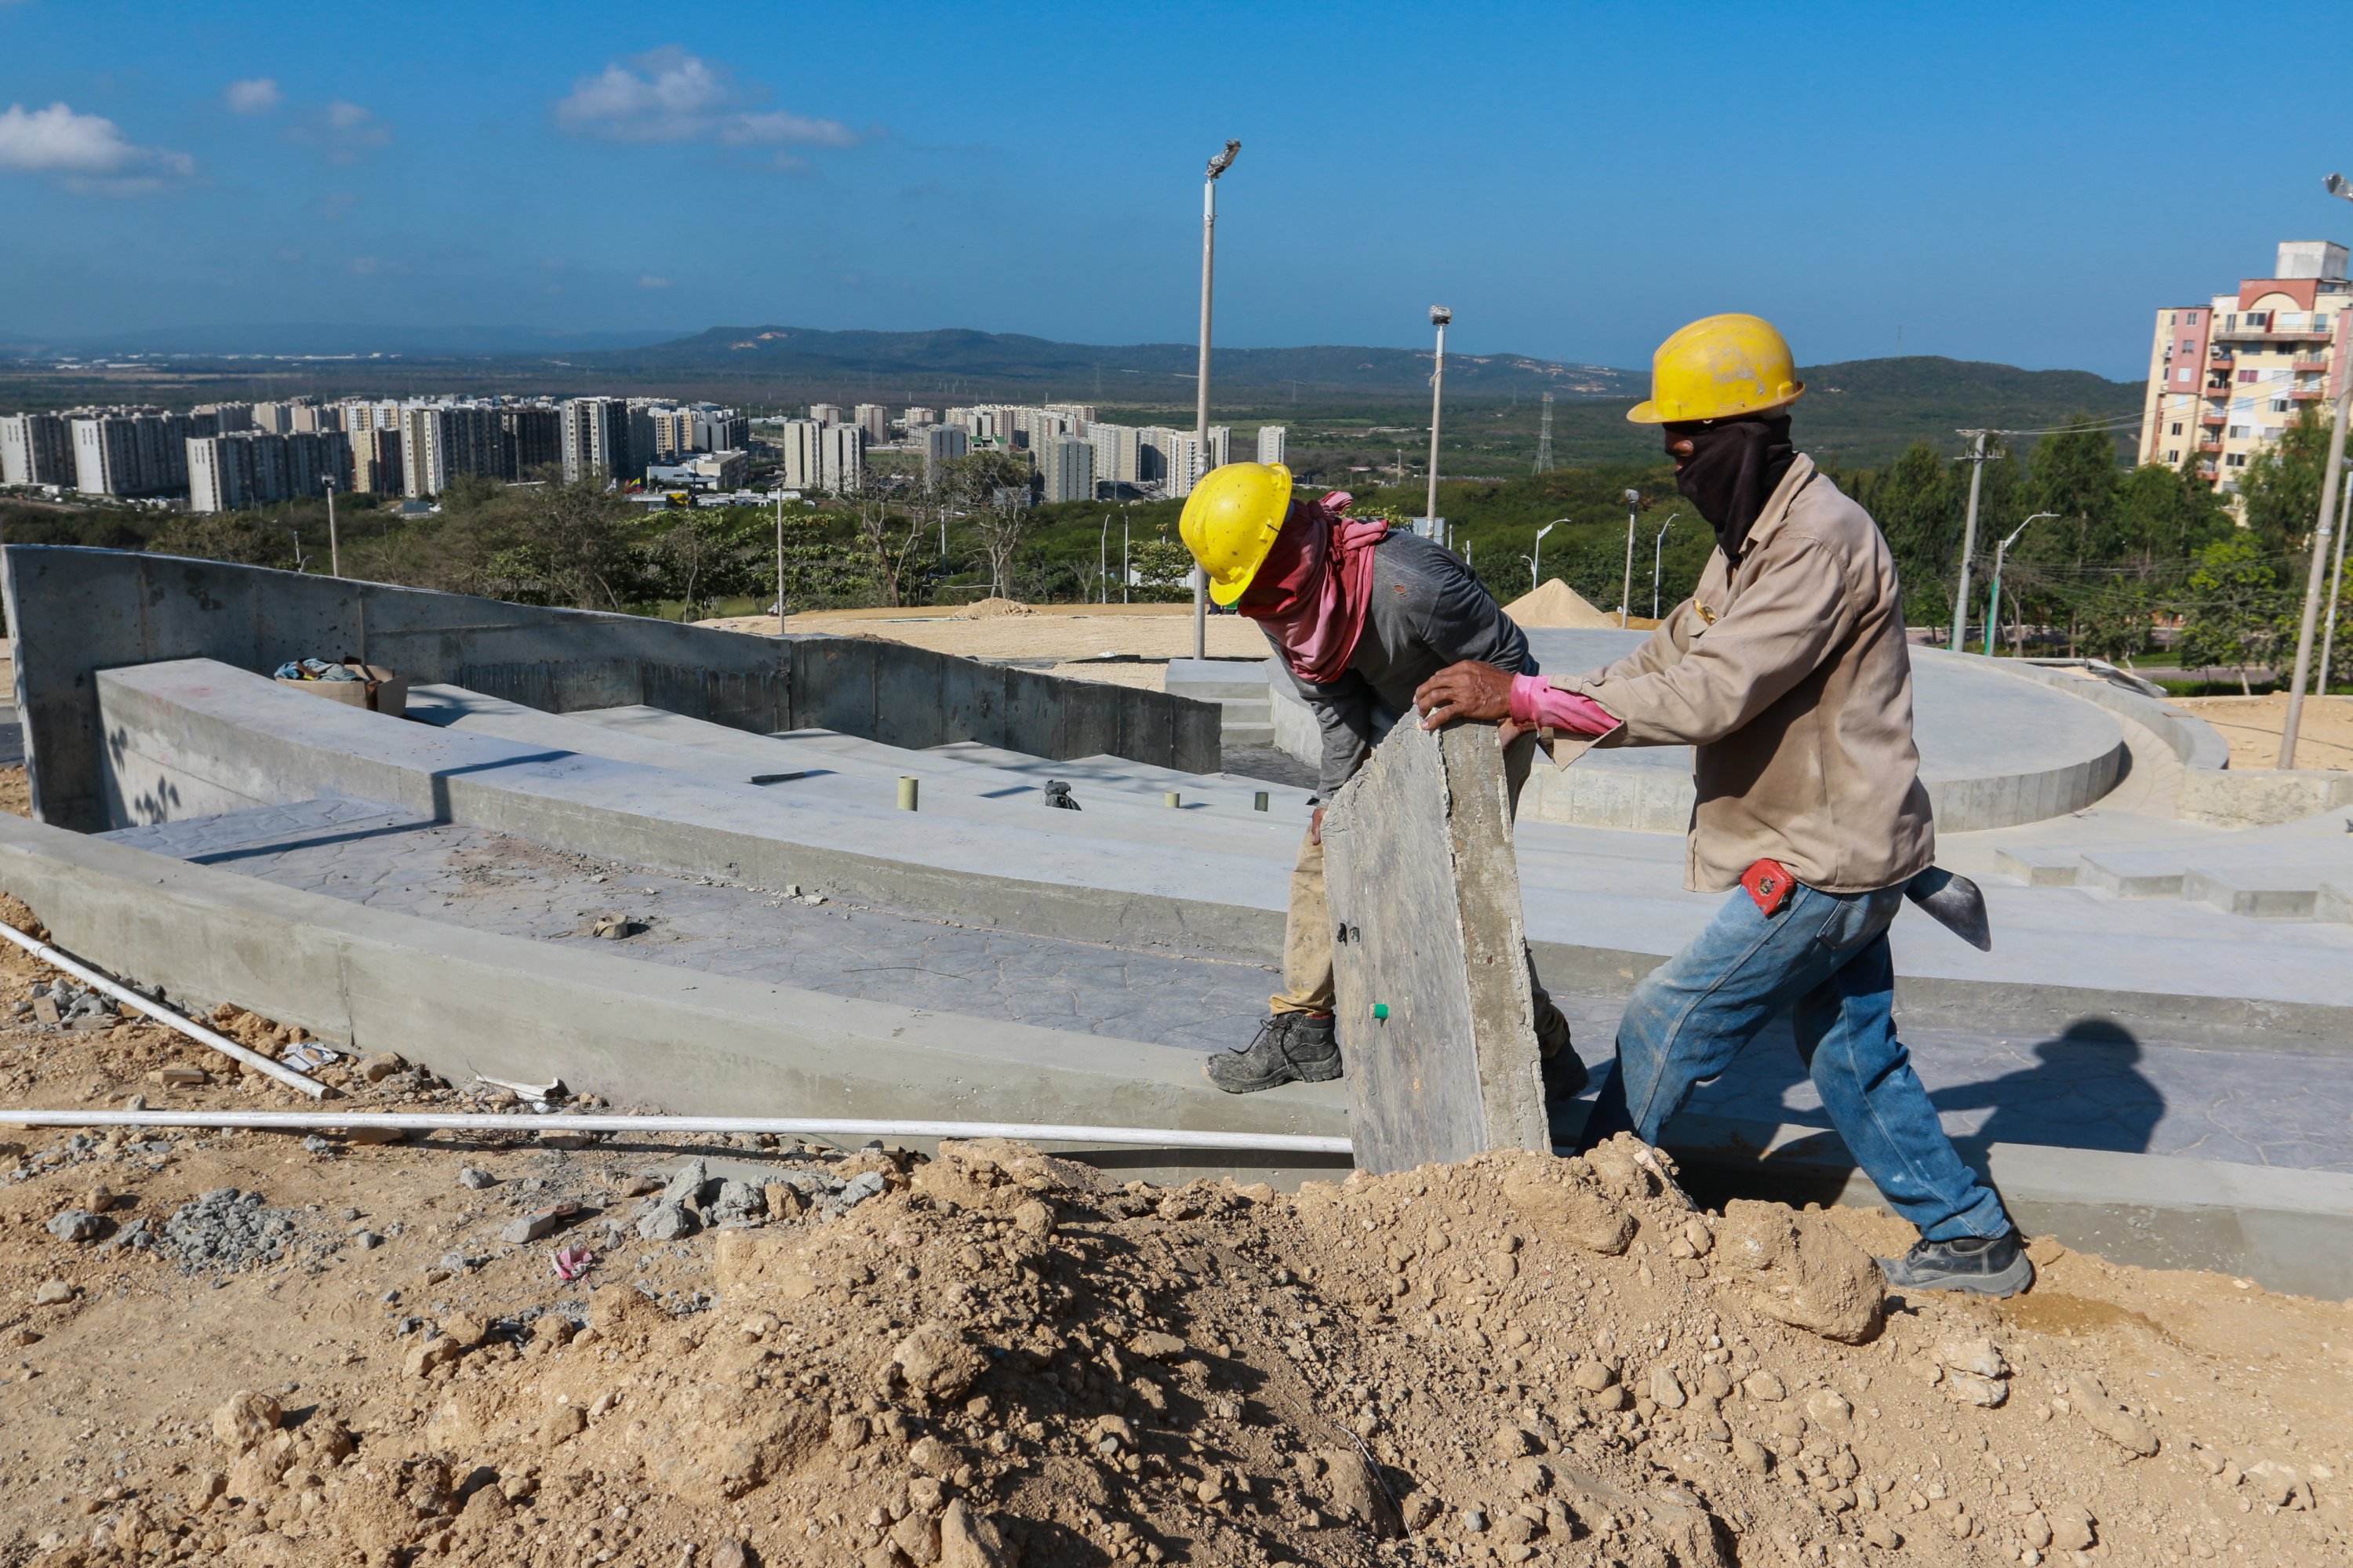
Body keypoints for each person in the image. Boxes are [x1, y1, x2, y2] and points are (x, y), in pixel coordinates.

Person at [1412, 313, 2031, 1298]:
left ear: (1749, 427)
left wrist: (1528, 697)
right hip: (1844, 842)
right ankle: (1969, 1233)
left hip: (1825, 857)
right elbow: (1674, 652)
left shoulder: (1818, 543)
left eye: (1687, 433)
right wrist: (1542, 701)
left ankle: (1594, 1210)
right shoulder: (1757, 532)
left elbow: (1711, 693)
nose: (1673, 454)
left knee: (1669, 1015)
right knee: (1850, 1056)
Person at [1176, 461, 1587, 1103]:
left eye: (1262, 582)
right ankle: (1303, 1029)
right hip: (1387, 720)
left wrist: (1469, 769)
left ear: (1290, 542)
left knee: (1456, 886)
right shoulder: (1274, 594)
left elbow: (1508, 664)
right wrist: (1335, 799)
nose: (1259, 601)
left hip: (1481, 722)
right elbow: (1332, 701)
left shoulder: (1412, 584)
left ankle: (1543, 1042)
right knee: (1323, 848)